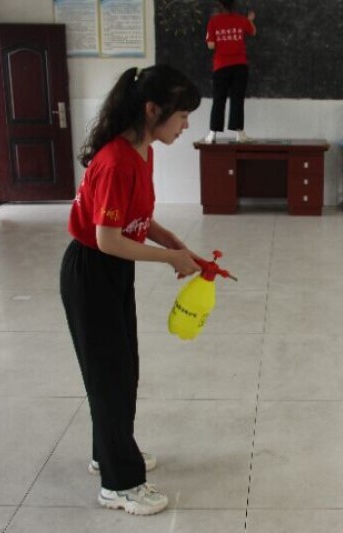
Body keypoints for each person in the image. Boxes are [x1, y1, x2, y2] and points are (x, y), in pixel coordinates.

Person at [60, 65, 204, 515]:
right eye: (182, 116)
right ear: (152, 110)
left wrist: (169, 239)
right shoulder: (116, 161)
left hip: (113, 271)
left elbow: (133, 217)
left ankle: (108, 452)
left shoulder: (142, 152)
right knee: (110, 376)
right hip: (92, 271)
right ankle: (119, 485)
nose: (185, 126)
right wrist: (170, 259)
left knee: (121, 371)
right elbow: (108, 239)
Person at [203, 0, 256, 144]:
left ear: (220, 6)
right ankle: (239, 134)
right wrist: (250, 20)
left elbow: (211, 45)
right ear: (234, 5)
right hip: (240, 65)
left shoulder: (214, 21)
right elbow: (253, 31)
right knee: (237, 99)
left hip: (221, 66)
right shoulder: (242, 20)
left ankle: (212, 134)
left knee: (218, 99)